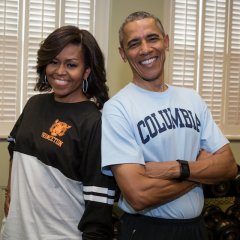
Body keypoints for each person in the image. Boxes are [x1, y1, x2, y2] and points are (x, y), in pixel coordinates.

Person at [101, 11, 238, 240]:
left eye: (152, 38)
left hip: (196, 228)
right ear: (123, 54)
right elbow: (138, 195)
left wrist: (176, 168)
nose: (145, 49)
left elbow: (229, 166)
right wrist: (200, 172)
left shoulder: (192, 99)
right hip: (146, 230)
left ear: (166, 41)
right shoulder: (117, 108)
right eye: (134, 43)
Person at [1, 25, 116, 240]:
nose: (60, 71)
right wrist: (10, 191)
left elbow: (99, 202)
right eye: (54, 62)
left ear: (86, 71)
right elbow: (14, 147)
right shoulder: (34, 104)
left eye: (71, 65)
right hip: (15, 231)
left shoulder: (94, 122)